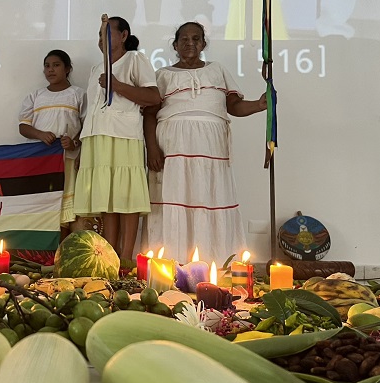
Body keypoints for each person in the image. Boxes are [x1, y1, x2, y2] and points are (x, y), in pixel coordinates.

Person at [142, 21, 266, 264]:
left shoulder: (217, 70)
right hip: (173, 147)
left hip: (211, 147)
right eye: (184, 39)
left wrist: (259, 105)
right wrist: (152, 148)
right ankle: (171, 261)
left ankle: (214, 261)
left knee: (209, 197)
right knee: (175, 198)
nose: (190, 43)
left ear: (203, 43)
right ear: (175, 45)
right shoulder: (163, 75)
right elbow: (149, 114)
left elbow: (234, 106)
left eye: (196, 39)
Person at [74, 16, 161, 260]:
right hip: (96, 138)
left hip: (123, 135)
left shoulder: (135, 59)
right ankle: (111, 254)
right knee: (108, 196)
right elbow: (92, 110)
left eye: (108, 33)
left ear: (123, 36)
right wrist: (83, 146)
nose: (102, 39)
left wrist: (117, 86)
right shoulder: (96, 68)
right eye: (100, 35)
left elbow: (153, 97)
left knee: (126, 195)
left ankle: (126, 256)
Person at [18, 49, 86, 240]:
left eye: (56, 65)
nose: (51, 70)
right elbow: (23, 127)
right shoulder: (36, 96)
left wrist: (73, 142)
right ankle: (42, 250)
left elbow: (87, 126)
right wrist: (40, 135)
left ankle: (62, 248)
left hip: (67, 160)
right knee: (43, 203)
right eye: (47, 66)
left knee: (64, 206)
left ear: (68, 69)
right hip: (41, 161)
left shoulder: (78, 94)